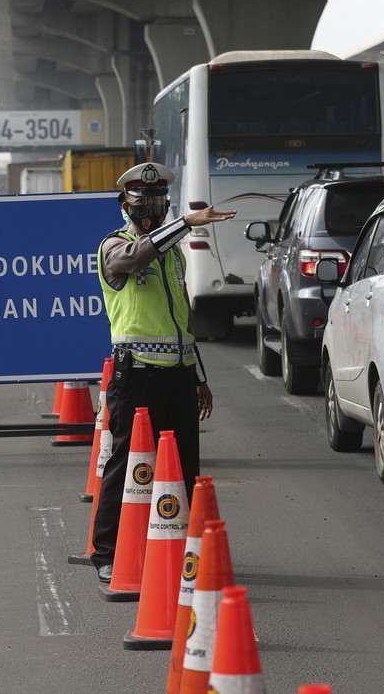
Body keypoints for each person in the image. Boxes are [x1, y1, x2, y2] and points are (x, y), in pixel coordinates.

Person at [91, 162, 237, 585]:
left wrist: (198, 377)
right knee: (126, 465)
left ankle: (183, 551)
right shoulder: (114, 248)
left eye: (156, 203)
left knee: (184, 469)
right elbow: (139, 254)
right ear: (125, 206)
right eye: (141, 204)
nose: (149, 211)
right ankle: (108, 552)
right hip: (134, 377)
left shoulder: (172, 254)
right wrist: (187, 222)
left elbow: (181, 323)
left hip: (175, 378)